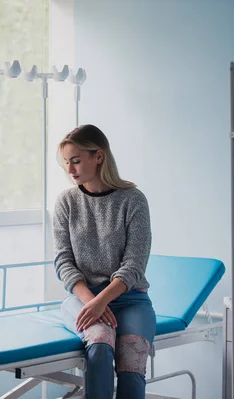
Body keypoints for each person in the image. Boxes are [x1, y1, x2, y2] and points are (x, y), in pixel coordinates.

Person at [52, 124, 156, 399]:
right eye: (66, 163)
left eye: (76, 160)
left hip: (130, 300)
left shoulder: (133, 200)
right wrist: (92, 302)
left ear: (98, 156)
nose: (70, 169)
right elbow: (63, 262)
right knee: (100, 344)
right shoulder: (66, 202)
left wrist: (103, 301)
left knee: (132, 360)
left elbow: (134, 264)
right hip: (82, 299)